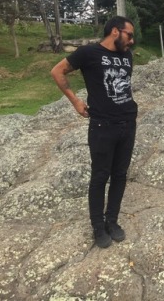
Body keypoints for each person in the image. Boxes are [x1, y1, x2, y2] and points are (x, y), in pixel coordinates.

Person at [51, 16, 138, 249]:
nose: (132, 40)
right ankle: (98, 227)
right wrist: (76, 102)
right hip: (102, 126)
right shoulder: (88, 53)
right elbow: (58, 72)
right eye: (129, 35)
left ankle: (112, 221)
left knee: (120, 175)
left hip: (128, 123)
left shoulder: (126, 56)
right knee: (100, 176)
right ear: (115, 32)